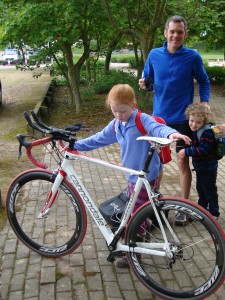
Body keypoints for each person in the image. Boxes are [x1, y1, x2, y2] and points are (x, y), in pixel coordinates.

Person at [74, 83, 191, 267]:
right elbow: (98, 139)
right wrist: (76, 145)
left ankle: (133, 255)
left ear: (133, 105)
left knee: (134, 216)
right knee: (137, 211)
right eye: (115, 111)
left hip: (145, 177)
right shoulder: (116, 125)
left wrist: (172, 134)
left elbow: (157, 127)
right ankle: (142, 231)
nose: (119, 115)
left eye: (123, 111)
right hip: (132, 177)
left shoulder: (141, 120)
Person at [139, 15, 210, 225]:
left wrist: (205, 101)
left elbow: (204, 80)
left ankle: (184, 207)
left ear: (184, 35)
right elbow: (148, 81)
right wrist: (144, 85)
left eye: (179, 32)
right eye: (172, 31)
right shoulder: (153, 54)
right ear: (165, 33)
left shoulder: (193, 57)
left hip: (182, 119)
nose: (175, 35)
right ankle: (154, 207)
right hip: (159, 119)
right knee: (155, 164)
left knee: (181, 160)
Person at [178, 103, 220, 220]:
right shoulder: (197, 131)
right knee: (201, 189)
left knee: (209, 190)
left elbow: (205, 149)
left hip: (208, 167)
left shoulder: (206, 132)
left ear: (204, 121)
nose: (194, 124)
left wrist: (187, 152)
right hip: (200, 167)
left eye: (198, 122)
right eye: (191, 121)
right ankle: (201, 210)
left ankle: (214, 212)